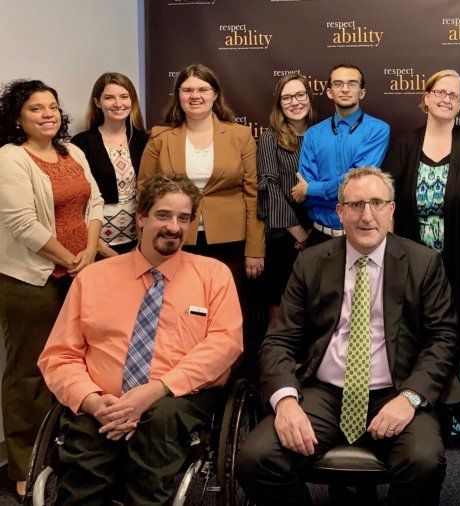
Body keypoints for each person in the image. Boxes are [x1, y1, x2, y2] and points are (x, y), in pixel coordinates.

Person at [236, 167, 460, 506]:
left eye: (376, 203)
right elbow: (279, 340)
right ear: (340, 212)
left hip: (396, 391)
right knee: (257, 459)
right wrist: (285, 401)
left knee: (424, 461)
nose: (366, 215)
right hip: (323, 393)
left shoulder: (423, 262)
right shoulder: (311, 262)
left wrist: (411, 397)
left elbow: (443, 339)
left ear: (391, 210)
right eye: (355, 205)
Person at [38, 173, 243, 503]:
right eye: (163, 215)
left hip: (177, 400)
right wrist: (92, 400)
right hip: (102, 402)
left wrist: (156, 390)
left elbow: (225, 343)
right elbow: (59, 356)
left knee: (159, 427)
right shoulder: (93, 279)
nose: (174, 227)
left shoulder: (213, 275)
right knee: (84, 463)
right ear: (142, 218)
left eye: (183, 218)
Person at [0, 79, 103, 497]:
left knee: (78, 367)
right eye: (36, 109)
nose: (47, 114)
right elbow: (23, 224)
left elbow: (94, 202)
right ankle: (25, 465)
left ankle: (64, 455)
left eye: (53, 107)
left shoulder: (72, 151)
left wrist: (90, 255)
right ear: (17, 118)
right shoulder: (10, 158)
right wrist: (70, 258)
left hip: (81, 273)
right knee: (30, 373)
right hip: (32, 279)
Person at [383, 69, 460, 385]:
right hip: (413, 259)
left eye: (453, 95)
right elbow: (387, 197)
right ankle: (421, 390)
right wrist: (391, 251)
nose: (446, 99)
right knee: (418, 325)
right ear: (426, 98)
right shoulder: (406, 144)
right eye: (440, 92)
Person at [139, 63, 264, 286]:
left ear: (215, 94)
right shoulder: (160, 136)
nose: (195, 96)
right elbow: (144, 192)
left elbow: (253, 195)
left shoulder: (240, 135)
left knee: (224, 308)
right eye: (187, 90)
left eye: (202, 89)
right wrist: (144, 243)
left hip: (231, 241)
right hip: (174, 235)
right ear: (178, 95)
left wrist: (255, 249)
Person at [293, 63, 390, 246]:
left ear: (361, 93)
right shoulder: (313, 134)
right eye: (338, 84)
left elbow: (357, 183)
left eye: (352, 84)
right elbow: (306, 199)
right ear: (329, 92)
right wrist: (312, 193)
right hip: (319, 237)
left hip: (361, 236)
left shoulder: (378, 130)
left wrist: (312, 189)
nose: (345, 89)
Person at [257, 73, 318, 317]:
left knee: (315, 304)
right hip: (283, 234)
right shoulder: (270, 139)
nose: (295, 102)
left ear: (309, 97)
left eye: (300, 94)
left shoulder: (323, 135)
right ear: (279, 104)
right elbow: (269, 187)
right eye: (287, 98)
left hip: (320, 231)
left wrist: (314, 232)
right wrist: (300, 233)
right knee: (280, 304)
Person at [71, 72, 149, 257]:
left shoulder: (145, 140)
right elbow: (76, 201)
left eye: (124, 96)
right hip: (95, 245)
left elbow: (153, 194)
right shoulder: (82, 143)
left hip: (138, 242)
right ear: (97, 102)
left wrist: (143, 242)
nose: (118, 103)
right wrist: (99, 248)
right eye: (109, 97)